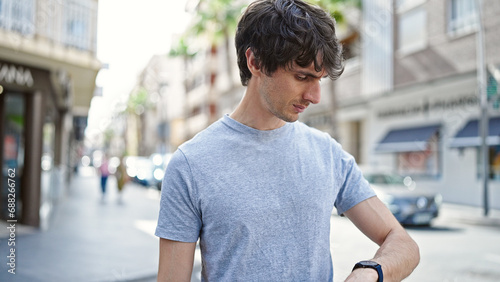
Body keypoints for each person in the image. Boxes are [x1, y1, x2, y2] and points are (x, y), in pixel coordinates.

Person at [156, 0, 420, 281]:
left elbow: (403, 243)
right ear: (255, 62)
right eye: (302, 76)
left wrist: (369, 273)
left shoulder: (328, 154)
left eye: (319, 80)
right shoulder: (190, 164)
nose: (315, 96)